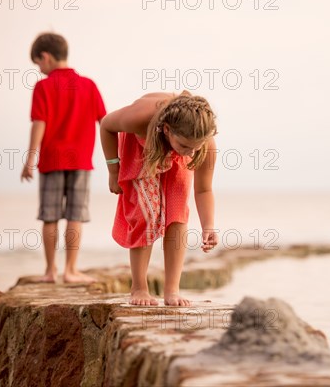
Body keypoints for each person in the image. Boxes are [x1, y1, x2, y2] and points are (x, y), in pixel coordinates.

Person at [100, 92, 218, 306]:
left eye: (196, 148)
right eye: (185, 146)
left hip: (172, 148)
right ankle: (139, 288)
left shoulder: (201, 141)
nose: (190, 152)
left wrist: (208, 226)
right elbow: (106, 125)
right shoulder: (139, 117)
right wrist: (113, 170)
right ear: (167, 130)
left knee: (177, 213)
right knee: (147, 213)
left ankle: (172, 290)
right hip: (142, 147)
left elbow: (203, 190)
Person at [21, 33, 106, 283]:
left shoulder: (44, 86)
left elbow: (39, 123)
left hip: (51, 160)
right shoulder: (89, 85)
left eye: (38, 64)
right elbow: (105, 121)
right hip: (81, 160)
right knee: (75, 215)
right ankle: (71, 270)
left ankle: (50, 271)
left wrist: (30, 160)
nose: (40, 70)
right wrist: (117, 157)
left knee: (50, 216)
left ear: (45, 57)